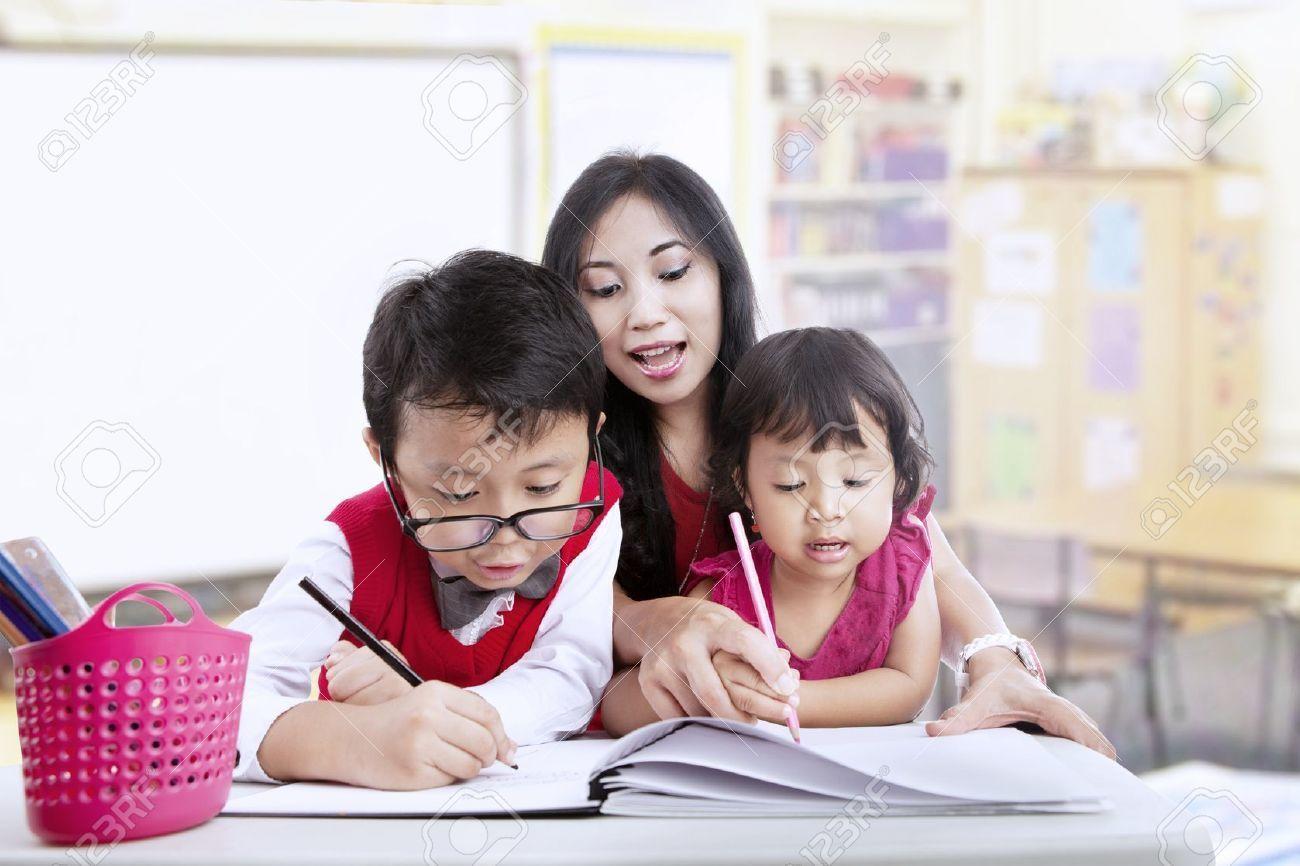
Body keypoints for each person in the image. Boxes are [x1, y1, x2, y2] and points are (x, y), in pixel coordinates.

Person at [541, 151, 1113, 755]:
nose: (645, 315)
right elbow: (547, 592)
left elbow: (924, 555)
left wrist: (993, 661)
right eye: (605, 288)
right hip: (628, 754)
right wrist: (656, 623)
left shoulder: (793, 405)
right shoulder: (566, 445)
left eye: (675, 272)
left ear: (723, 274)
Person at [230, 250, 623, 789]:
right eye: (458, 493)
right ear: (385, 459)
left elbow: (572, 672)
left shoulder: (594, 509)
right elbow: (220, 703)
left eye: (541, 487)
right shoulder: (348, 549)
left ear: (590, 438)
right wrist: (357, 738)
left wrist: (432, 711)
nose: (506, 540)